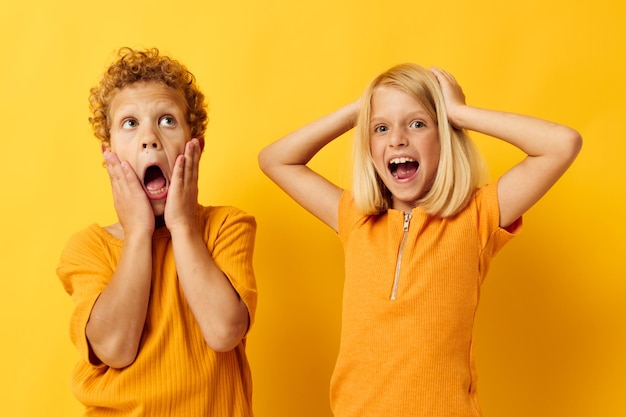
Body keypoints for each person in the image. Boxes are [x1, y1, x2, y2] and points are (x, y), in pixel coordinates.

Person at [258, 63, 581, 416]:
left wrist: (459, 112)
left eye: (417, 123)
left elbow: (562, 144)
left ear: (445, 135)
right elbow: (275, 160)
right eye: (381, 128)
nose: (397, 138)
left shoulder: (477, 215)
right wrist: (360, 109)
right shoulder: (355, 217)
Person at [57, 47, 257, 417]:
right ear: (110, 155)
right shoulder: (88, 247)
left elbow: (224, 331)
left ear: (194, 146)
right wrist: (137, 234)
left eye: (167, 120)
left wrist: (181, 225)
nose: (149, 138)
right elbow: (114, 348)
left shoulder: (227, 227)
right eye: (130, 124)